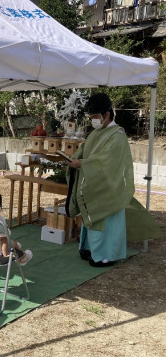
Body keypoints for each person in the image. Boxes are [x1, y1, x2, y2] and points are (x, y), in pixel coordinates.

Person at [66, 93, 134, 267]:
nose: (93, 120)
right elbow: (85, 150)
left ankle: (107, 254)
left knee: (106, 223)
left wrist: (82, 163)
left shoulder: (118, 135)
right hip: (94, 182)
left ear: (107, 114)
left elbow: (107, 160)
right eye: (91, 117)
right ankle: (90, 248)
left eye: (95, 116)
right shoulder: (97, 133)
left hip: (109, 188)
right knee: (92, 218)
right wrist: (72, 158)